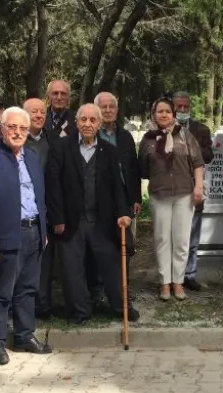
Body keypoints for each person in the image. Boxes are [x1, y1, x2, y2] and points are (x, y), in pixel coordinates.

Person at [0, 106, 52, 365]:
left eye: (23, 128)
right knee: (2, 291)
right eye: (12, 127)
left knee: (28, 289)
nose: (17, 132)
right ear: (2, 129)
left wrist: (44, 229)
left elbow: (41, 197)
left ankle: (25, 336)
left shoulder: (32, 158)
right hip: (5, 235)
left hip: (33, 232)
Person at [47, 103, 139, 324]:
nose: (88, 124)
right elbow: (53, 186)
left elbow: (118, 187)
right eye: (83, 119)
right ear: (76, 122)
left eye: (93, 120)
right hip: (70, 221)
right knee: (72, 269)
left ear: (99, 124)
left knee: (111, 265)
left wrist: (123, 212)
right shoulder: (60, 147)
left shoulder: (109, 151)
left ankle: (120, 306)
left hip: (102, 220)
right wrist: (57, 218)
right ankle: (80, 310)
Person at [139, 97, 205, 300]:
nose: (164, 115)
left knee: (182, 240)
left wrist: (199, 187)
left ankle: (178, 282)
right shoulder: (148, 139)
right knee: (162, 240)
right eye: (160, 111)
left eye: (168, 111)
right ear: (154, 115)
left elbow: (197, 163)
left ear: (173, 115)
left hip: (184, 195)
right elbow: (143, 169)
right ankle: (164, 283)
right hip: (160, 195)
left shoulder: (185, 136)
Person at [93, 92, 142, 301]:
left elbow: (133, 168)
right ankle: (99, 290)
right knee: (100, 245)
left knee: (124, 244)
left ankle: (123, 288)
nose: (107, 110)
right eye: (103, 107)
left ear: (117, 109)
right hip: (98, 198)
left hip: (124, 198)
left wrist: (136, 198)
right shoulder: (91, 134)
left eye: (111, 106)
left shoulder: (125, 136)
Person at [23, 97, 60, 319]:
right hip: (22, 209)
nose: (38, 116)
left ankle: (42, 303)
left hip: (46, 208)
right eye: (34, 112)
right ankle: (22, 305)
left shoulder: (52, 139)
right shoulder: (16, 139)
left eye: (42, 112)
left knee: (45, 259)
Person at [173, 92, 214, 291]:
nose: (182, 110)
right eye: (178, 107)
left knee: (193, 237)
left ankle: (190, 274)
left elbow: (209, 155)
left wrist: (190, 147)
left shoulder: (201, 130)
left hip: (195, 188)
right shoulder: (165, 128)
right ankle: (174, 277)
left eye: (185, 107)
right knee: (173, 237)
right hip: (172, 191)